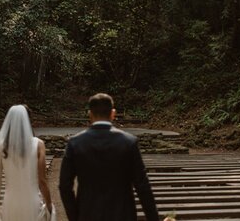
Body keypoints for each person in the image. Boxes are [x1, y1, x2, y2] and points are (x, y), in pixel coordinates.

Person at [59, 93, 167, 221]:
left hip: (88, 214)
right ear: (113, 113)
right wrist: (153, 218)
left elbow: (65, 186)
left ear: (90, 114)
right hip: (122, 214)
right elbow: (142, 185)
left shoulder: (75, 143)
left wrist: (75, 217)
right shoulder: (129, 142)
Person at [0, 105, 55, 221]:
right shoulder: (38, 145)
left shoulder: (1, 147)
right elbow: (42, 181)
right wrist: (49, 205)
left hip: (10, 202)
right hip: (32, 201)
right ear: (28, 121)